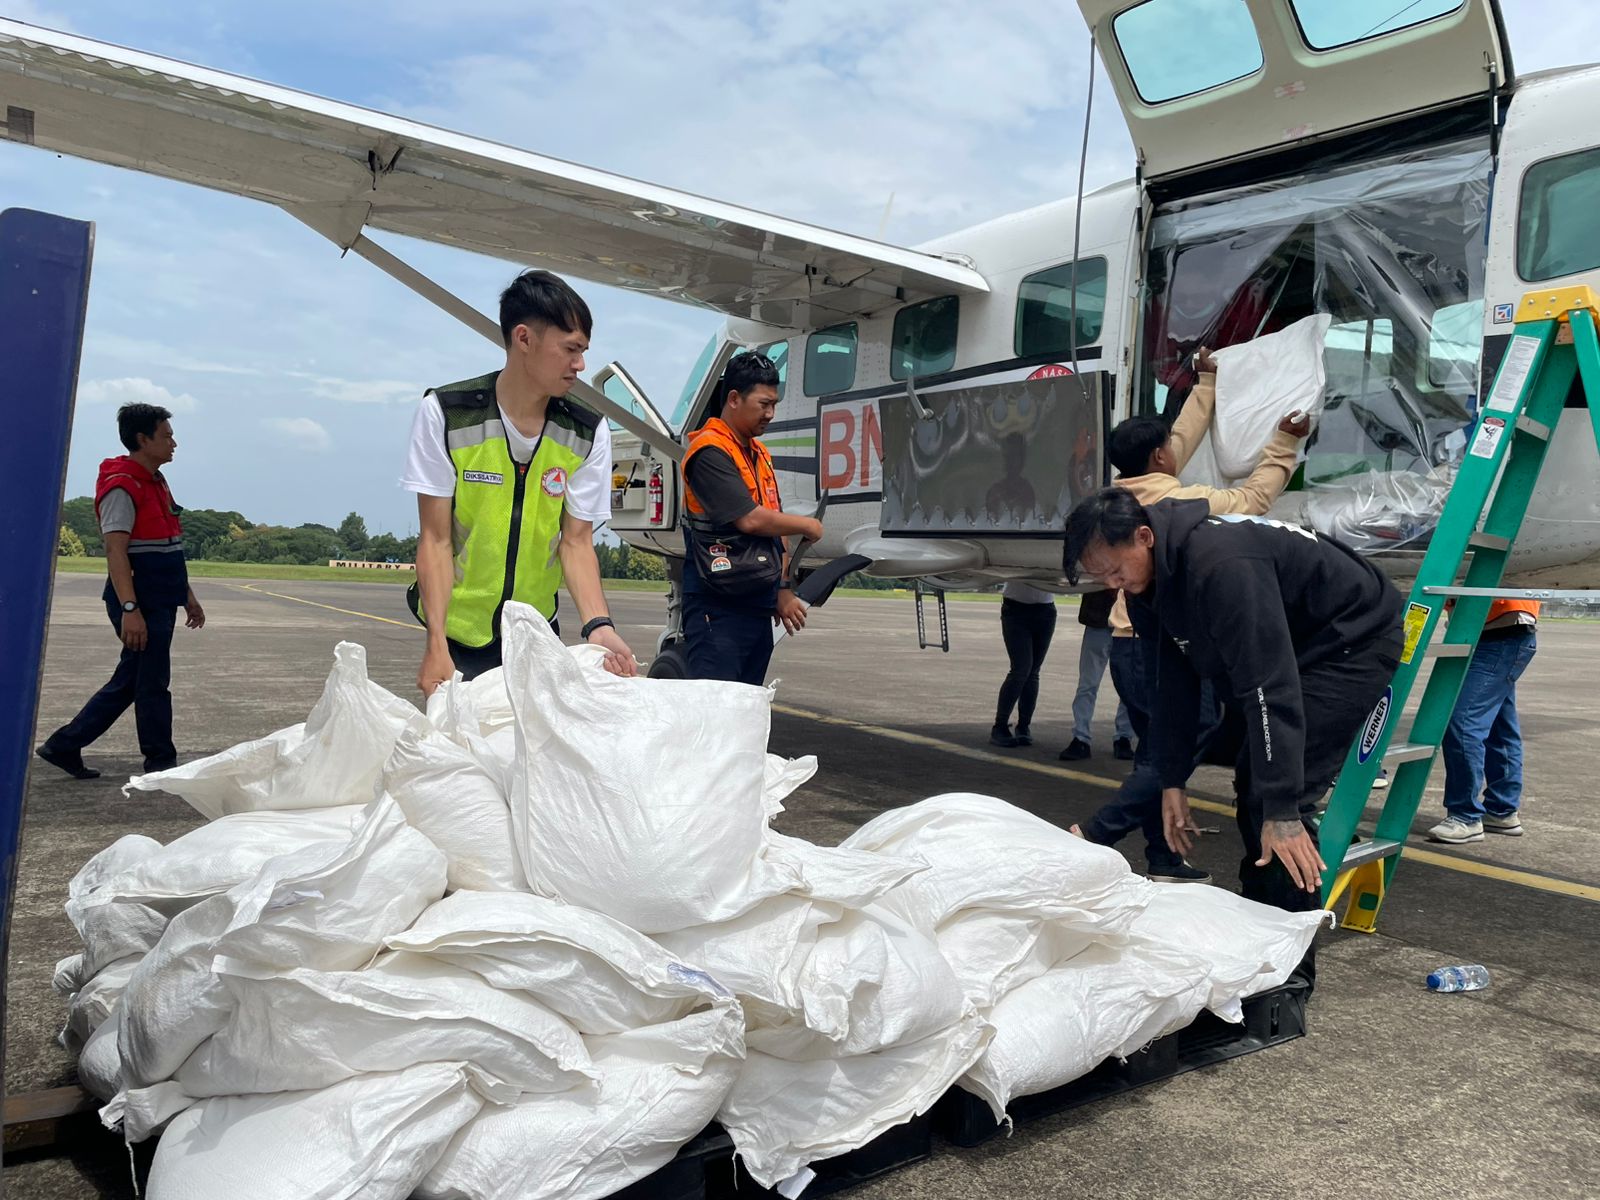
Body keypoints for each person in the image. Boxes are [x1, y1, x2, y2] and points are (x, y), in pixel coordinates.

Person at [1065, 488, 1403, 988]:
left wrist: (1283, 808)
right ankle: (1262, 928)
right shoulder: (1148, 586)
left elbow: (1270, 684)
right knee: (1257, 780)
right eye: (1103, 579)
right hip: (1292, 647)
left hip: (1348, 641)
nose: (1115, 584)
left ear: (1144, 536)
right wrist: (1173, 779)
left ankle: (1288, 972)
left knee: (1269, 798)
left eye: (1116, 571)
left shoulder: (1221, 565)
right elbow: (1174, 689)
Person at [1076, 348, 1310, 882]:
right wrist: (1285, 443)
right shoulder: (1180, 503)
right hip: (1161, 646)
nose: (1174, 452)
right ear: (1160, 457)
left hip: (1123, 647)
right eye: (1169, 450)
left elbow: (1177, 441)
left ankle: (1161, 858)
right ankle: (1091, 835)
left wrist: (1206, 382)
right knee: (1181, 739)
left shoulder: (1119, 493)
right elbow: (1251, 499)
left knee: (1157, 752)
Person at [403, 270, 637, 693]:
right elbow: (435, 539)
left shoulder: (586, 431)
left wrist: (598, 625)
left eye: (583, 351)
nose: (580, 364)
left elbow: (577, 541)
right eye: (570, 349)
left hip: (534, 636)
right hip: (458, 636)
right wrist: (436, 641)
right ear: (524, 339)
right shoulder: (447, 415)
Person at [37, 403, 205, 779]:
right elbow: (116, 552)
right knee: (152, 683)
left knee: (133, 680)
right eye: (166, 435)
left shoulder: (155, 482)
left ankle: (64, 745)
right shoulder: (122, 488)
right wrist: (130, 608)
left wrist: (186, 595)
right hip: (139, 602)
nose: (173, 443)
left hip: (161, 598)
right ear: (143, 439)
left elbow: (168, 545)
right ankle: (160, 763)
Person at [681, 351, 822, 685]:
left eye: (775, 404)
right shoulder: (709, 452)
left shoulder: (759, 454)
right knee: (718, 712)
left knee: (746, 708)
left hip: (756, 604)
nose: (771, 414)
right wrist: (808, 525)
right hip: (717, 607)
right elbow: (751, 520)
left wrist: (783, 588)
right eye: (764, 404)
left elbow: (775, 526)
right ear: (733, 399)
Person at [1429, 598, 1540, 843]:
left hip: (1500, 633)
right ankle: (1502, 810)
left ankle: (1465, 816)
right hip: (1493, 633)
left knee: (1463, 723)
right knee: (1500, 727)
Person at [1059, 588, 1134, 761]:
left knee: (1127, 686)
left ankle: (1122, 737)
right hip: (1101, 621)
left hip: (1125, 623)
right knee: (1089, 683)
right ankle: (1082, 737)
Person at [991, 582, 1057, 748]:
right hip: (1016, 610)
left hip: (1045, 610)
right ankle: (999, 726)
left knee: (1033, 672)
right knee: (1021, 669)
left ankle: (1023, 726)